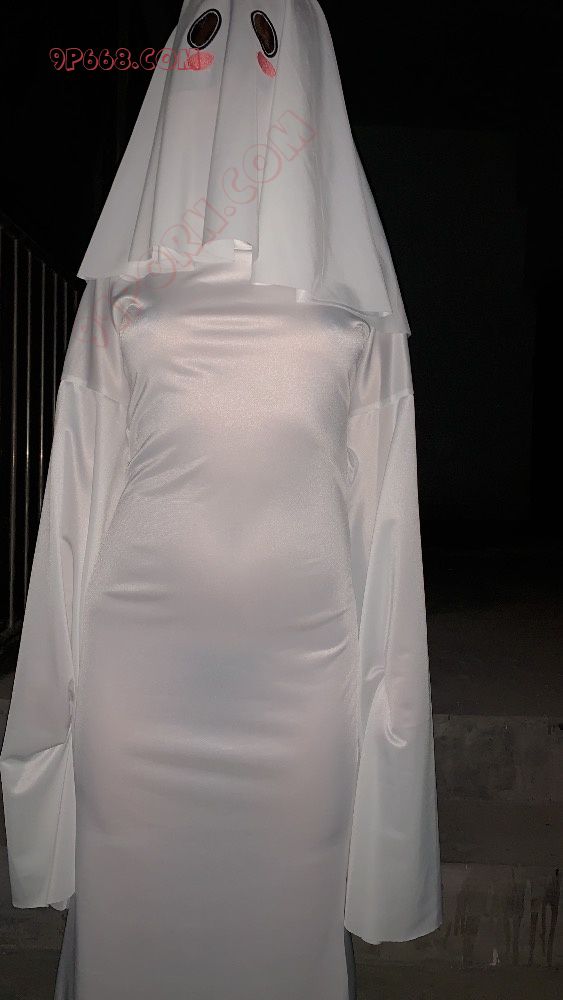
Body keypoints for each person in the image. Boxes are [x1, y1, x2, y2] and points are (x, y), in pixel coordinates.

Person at [0, 2, 443, 997]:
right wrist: (48, 711)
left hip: (303, 673)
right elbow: (74, 505)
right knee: (133, 930)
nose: (237, 62)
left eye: (268, 37)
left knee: (281, 931)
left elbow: (385, 522)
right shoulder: (124, 284)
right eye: (206, 34)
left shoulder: (358, 295)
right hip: (138, 667)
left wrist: (388, 720)